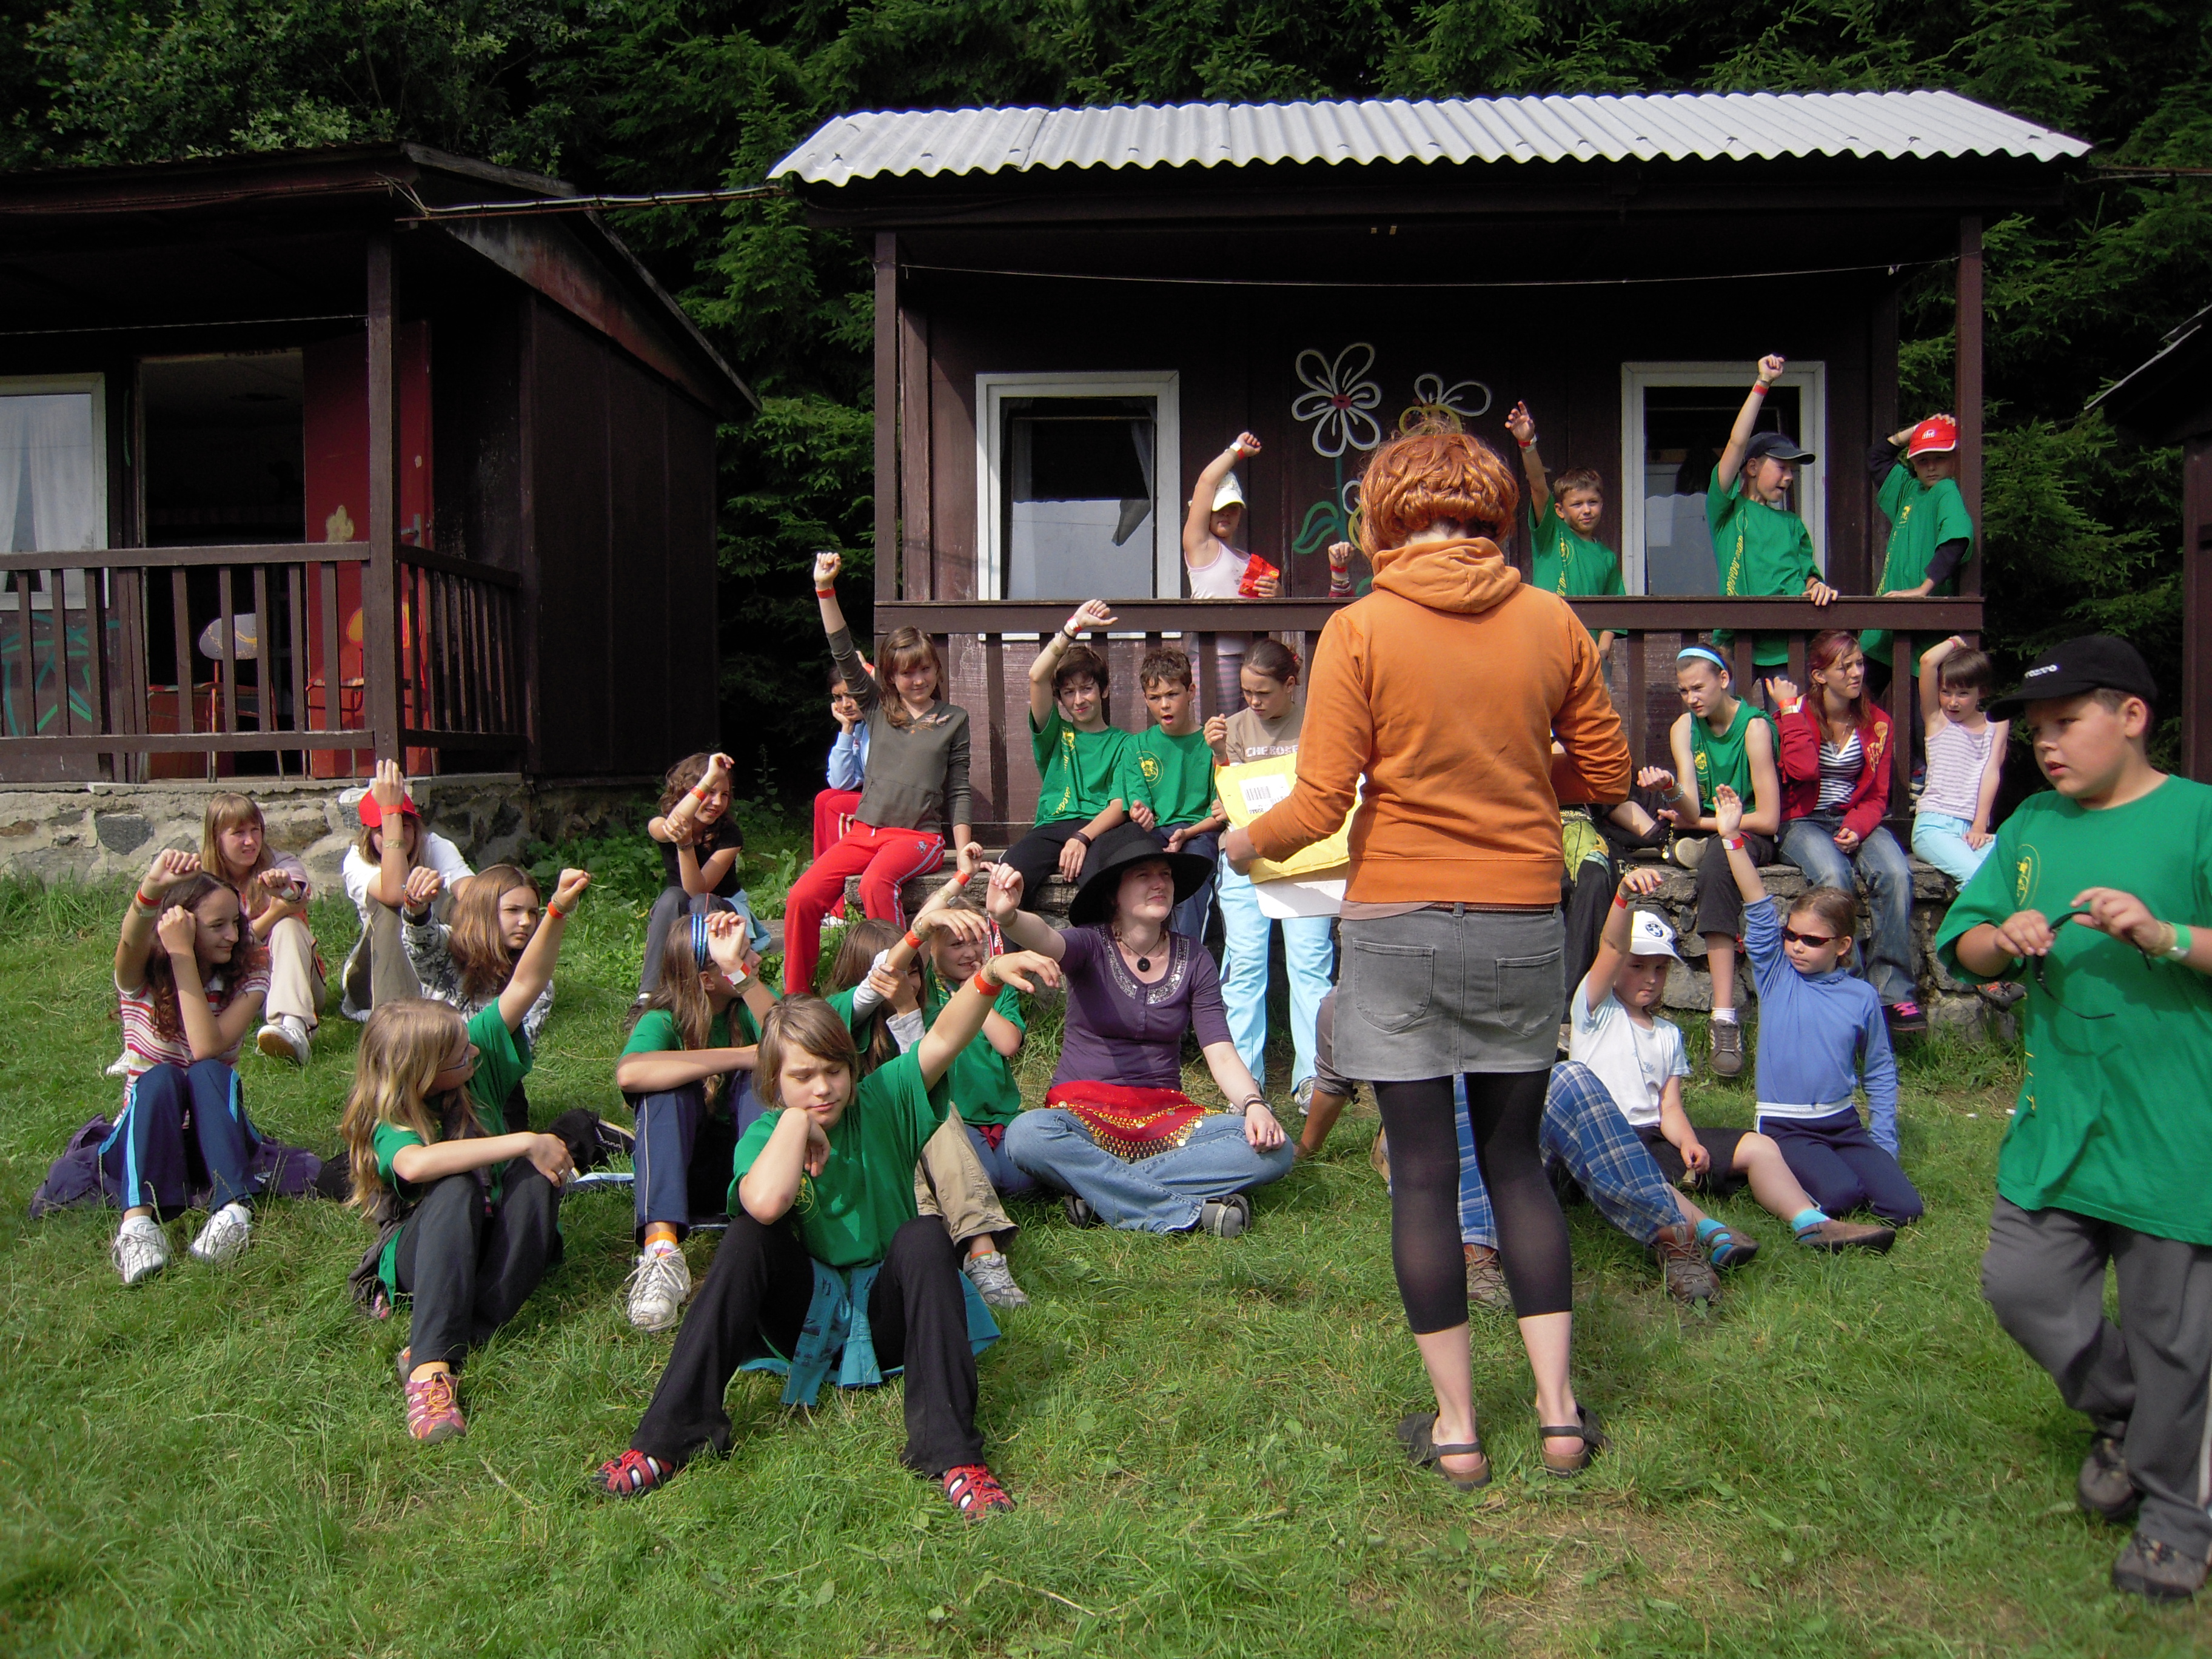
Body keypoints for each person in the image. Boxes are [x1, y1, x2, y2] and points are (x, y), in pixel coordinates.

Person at [1225, 426, 1631, 1486]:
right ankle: (1558, 1418)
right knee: (1514, 1166)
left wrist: (1242, 840)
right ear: (1490, 510)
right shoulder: (1552, 619)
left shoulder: (1358, 627)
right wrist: (1517, 759)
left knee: (1420, 1176)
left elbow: (1319, 802)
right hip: (1519, 918)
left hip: (1396, 921)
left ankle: (1456, 1432)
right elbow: (1605, 771)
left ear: (1386, 515)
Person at [1935, 635, 2212, 1603]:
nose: (2046, 744)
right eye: (2039, 729)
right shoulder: (2032, 825)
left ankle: (2178, 1518)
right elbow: (1964, 942)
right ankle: (2133, 1417)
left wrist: (2166, 935)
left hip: (2175, 1130)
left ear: (2132, 717)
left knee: (2173, 1329)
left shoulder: (2197, 818)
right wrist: (2001, 938)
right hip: (2059, 1123)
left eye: (2066, 723)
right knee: (2022, 1285)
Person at [591, 948, 1061, 1515]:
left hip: (889, 1314)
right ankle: (668, 1437)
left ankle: (953, 1453)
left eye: (834, 1071)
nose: (823, 1089)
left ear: (853, 1069)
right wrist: (795, 1126)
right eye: (802, 1077)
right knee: (746, 1237)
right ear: (774, 1083)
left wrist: (986, 978)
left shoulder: (885, 1099)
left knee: (924, 1235)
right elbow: (766, 1204)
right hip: (803, 1317)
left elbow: (943, 1040)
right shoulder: (766, 1133)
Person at [338, 866, 592, 1444]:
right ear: (423, 1076)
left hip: (494, 1237)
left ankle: (450, 1334)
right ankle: (431, 1373)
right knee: (454, 1188)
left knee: (534, 1181)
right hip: (427, 1251)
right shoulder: (394, 1116)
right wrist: (525, 1138)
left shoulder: (475, 1059)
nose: (473, 1053)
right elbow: (414, 1166)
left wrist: (556, 911)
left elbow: (526, 983)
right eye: (459, 1055)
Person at [992, 825, 1292, 1236]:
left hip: (1165, 1119)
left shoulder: (1195, 957)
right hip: (1083, 1116)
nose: (1159, 884)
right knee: (1027, 1135)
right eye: (1143, 875)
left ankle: (1098, 1192)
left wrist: (1254, 1104)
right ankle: (1188, 1212)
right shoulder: (1090, 944)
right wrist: (1008, 916)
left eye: (1165, 875)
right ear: (1114, 894)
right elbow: (1044, 937)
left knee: (1276, 1149)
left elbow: (1221, 1052)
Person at [1714, 786, 1921, 1227]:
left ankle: (1844, 1170)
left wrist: (1884, 1142)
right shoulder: (1776, 975)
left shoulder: (1862, 996)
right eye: (1792, 936)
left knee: (1904, 1208)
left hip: (1843, 1123)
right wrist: (1731, 837)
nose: (1796, 946)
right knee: (1842, 1196)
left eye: (1811, 940)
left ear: (1842, 946)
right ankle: (1779, 1172)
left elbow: (1880, 1070)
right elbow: (1758, 902)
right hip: (1786, 1125)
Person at [822, 895, 1031, 1308]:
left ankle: (983, 1253)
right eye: (898, 975)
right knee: (896, 1128)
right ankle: (933, 1245)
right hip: (865, 1150)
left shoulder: (923, 1009)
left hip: (940, 1135)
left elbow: (924, 1075)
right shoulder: (837, 1016)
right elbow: (872, 992)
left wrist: (905, 1010)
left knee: (937, 1113)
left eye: (914, 974)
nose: (909, 984)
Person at [782, 549, 973, 995]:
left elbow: (959, 788)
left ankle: (903, 989)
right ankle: (796, 998)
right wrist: (825, 589)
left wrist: (964, 848)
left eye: (925, 669)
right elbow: (842, 650)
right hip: (864, 832)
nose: (918, 680)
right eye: (906, 673)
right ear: (889, 677)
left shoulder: (954, 719)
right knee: (801, 895)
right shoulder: (877, 707)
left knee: (876, 883)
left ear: (937, 669)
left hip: (918, 838)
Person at [98, 850, 274, 1284]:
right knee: (160, 1078)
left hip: (213, 1139)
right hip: (149, 1135)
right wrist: (153, 889)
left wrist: (183, 959)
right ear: (183, 926)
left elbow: (205, 1047)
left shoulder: (249, 973)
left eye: (236, 922)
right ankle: (138, 1227)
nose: (233, 935)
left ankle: (232, 1212)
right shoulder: (141, 974)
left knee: (207, 1072)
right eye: (217, 925)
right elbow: (131, 940)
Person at [616, 911, 780, 1332]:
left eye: (746, 953)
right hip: (681, 1171)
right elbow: (630, 1074)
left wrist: (739, 975)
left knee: (759, 1077)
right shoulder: (663, 1020)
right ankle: (661, 1254)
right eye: (740, 957)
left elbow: (792, 1041)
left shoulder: (747, 1005)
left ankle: (766, 1235)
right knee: (665, 1090)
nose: (755, 961)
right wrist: (738, 1056)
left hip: (747, 1172)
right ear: (706, 980)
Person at [1772, 630, 1925, 1036]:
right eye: (1845, 667)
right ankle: (1851, 987)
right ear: (1819, 675)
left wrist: (1856, 828)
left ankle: (1893, 991)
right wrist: (1790, 711)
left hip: (1854, 818)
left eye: (1859, 664)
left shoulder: (1879, 723)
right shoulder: (1795, 714)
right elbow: (1803, 770)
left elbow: (1877, 796)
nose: (1857, 673)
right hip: (1803, 820)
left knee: (1895, 873)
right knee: (1833, 877)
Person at [1205, 638, 1335, 1113]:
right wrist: (1220, 756)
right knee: (1244, 965)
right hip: (1247, 860)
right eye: (1246, 692)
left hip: (1308, 859)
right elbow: (1227, 800)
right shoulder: (1234, 728)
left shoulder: (1319, 724)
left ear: (1291, 684)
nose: (1253, 702)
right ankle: (1245, 1082)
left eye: (1263, 692)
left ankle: (1313, 1079)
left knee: (1310, 964)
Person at [1638, 645, 1780, 1076]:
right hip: (1713, 827)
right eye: (1683, 691)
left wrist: (1703, 823)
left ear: (1723, 679)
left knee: (1717, 863)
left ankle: (1724, 1016)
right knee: (1713, 852)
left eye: (1698, 688)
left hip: (1749, 831)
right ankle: (1702, 844)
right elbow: (1688, 804)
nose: (1691, 698)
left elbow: (1770, 818)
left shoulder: (1755, 727)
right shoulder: (1684, 727)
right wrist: (1670, 789)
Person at [1709, 354, 1837, 686]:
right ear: (1752, 467)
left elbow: (1808, 576)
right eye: (1781, 467)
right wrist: (1763, 383)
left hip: (1788, 645)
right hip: (1736, 642)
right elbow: (1737, 443)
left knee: (1787, 719)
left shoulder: (1793, 524)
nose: (1789, 477)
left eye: (1792, 470)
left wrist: (1817, 588)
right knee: (1729, 717)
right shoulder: (1727, 510)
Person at [400, 863, 557, 1127]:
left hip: (490, 1086)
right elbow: (420, 936)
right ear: (484, 910)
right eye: (513, 911)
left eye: (533, 912)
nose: (526, 922)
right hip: (429, 1074)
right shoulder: (449, 946)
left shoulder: (539, 983)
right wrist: (416, 905)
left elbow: (507, 1055)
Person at [1000, 598, 1134, 902]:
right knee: (1008, 877)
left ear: (1104, 690)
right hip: (1051, 826)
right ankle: (1012, 937)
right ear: (1059, 698)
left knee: (1103, 884)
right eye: (1069, 692)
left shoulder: (1125, 743)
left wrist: (1082, 837)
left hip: (1099, 830)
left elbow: (1119, 805)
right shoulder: (1055, 732)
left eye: (1086, 689)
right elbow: (1037, 676)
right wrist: (1073, 627)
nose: (1079, 700)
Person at [338, 760, 472, 1021]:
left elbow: (469, 889)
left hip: (434, 963)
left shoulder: (433, 845)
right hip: (376, 975)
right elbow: (396, 894)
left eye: (404, 825)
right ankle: (396, 1023)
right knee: (394, 909)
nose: (397, 833)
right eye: (384, 830)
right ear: (368, 835)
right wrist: (390, 812)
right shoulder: (356, 860)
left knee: (464, 904)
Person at [641, 751, 772, 1000]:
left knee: (702, 900)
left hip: (722, 907)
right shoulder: (660, 825)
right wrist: (711, 775)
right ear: (686, 792)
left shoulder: (730, 835)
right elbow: (675, 823)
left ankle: (707, 991)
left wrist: (685, 845)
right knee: (671, 897)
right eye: (709, 792)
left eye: (724, 795)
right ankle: (647, 996)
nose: (717, 802)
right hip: (681, 909)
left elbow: (698, 891)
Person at [1861, 415, 1974, 689]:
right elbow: (1877, 457)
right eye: (1923, 460)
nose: (1931, 467)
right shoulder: (1909, 489)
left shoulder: (1946, 490)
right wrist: (1917, 430)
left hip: (1923, 628)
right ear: (1913, 463)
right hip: (1885, 625)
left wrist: (1924, 589)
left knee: (1917, 712)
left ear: (1954, 459)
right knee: (1855, 704)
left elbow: (1956, 542)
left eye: (1940, 458)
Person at [1122, 644, 1225, 943]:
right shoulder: (1136, 746)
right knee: (1132, 865)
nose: (1165, 705)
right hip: (1156, 834)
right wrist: (1140, 814)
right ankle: (1136, 949)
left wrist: (1187, 833)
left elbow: (1220, 815)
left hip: (1199, 833)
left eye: (1172, 694)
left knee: (1191, 871)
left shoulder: (1210, 743)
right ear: (1145, 699)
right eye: (1155, 698)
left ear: (1191, 692)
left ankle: (1185, 954)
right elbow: (1139, 805)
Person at [1503, 400, 1623, 655]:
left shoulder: (1607, 557)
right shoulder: (1551, 533)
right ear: (1560, 510)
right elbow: (1538, 484)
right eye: (1577, 504)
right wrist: (1527, 443)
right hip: (1547, 646)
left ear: (1602, 504)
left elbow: (1614, 613)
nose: (1586, 510)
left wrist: (1602, 652)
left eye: (1593, 502)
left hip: (1588, 654)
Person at [1184, 432, 1281, 711]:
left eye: (1233, 509)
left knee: (1248, 728)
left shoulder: (1248, 559)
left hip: (1252, 658)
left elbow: (1270, 605)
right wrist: (1237, 450)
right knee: (1217, 726)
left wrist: (1278, 593)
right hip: (1214, 656)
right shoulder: (1201, 546)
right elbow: (1206, 482)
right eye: (1219, 508)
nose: (1226, 514)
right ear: (1206, 511)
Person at [1912, 635, 2007, 885]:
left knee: (2012, 867)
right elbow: (1928, 662)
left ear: (1981, 692)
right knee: (1978, 879)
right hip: (1934, 827)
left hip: (1972, 829)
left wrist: (1979, 826)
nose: (1952, 702)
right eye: (1946, 692)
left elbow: (1991, 773)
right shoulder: (1937, 720)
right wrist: (1955, 642)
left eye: (1963, 694)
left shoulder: (1996, 725)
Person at [816, 662, 869, 861]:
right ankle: (821, 866)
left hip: (894, 802)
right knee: (824, 798)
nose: (845, 704)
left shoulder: (882, 723)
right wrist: (846, 730)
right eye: (838, 698)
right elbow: (841, 783)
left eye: (852, 695)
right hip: (874, 798)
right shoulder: (859, 728)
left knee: (838, 806)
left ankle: (838, 871)